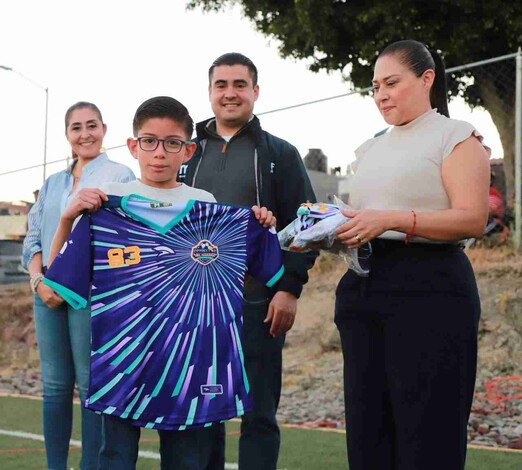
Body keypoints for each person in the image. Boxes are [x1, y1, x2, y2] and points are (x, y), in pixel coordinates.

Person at [46, 96, 280, 470]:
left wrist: (260, 226)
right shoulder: (107, 207)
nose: (160, 152)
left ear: (187, 150)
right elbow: (58, 280)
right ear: (133, 146)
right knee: (116, 457)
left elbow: (263, 262)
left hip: (191, 361)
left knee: (188, 458)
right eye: (149, 141)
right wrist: (67, 219)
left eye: (172, 143)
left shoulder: (210, 207)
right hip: (123, 360)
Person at [334, 40, 490, 470]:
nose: (381, 93)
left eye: (391, 82)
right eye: (374, 86)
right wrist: (329, 226)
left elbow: (472, 219)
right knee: (369, 434)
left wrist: (391, 219)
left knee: (428, 433)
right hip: (363, 288)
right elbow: (366, 216)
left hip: (431, 288)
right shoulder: (371, 148)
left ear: (426, 79)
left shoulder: (456, 136)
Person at [178, 52, 317, 470]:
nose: (230, 93)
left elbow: (304, 225)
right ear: (209, 92)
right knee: (203, 418)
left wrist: (289, 289)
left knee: (258, 416)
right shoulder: (185, 153)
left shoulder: (280, 153)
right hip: (196, 309)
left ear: (255, 91)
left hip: (258, 305)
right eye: (221, 85)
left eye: (240, 84)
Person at [22, 101, 135, 470]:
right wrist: (39, 281)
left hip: (91, 294)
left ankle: (91, 465)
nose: (84, 133)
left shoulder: (119, 175)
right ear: (67, 135)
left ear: (104, 129)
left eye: (91, 125)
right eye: (76, 127)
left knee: (90, 386)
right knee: (54, 386)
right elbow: (33, 238)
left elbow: (119, 237)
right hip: (47, 293)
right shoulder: (53, 182)